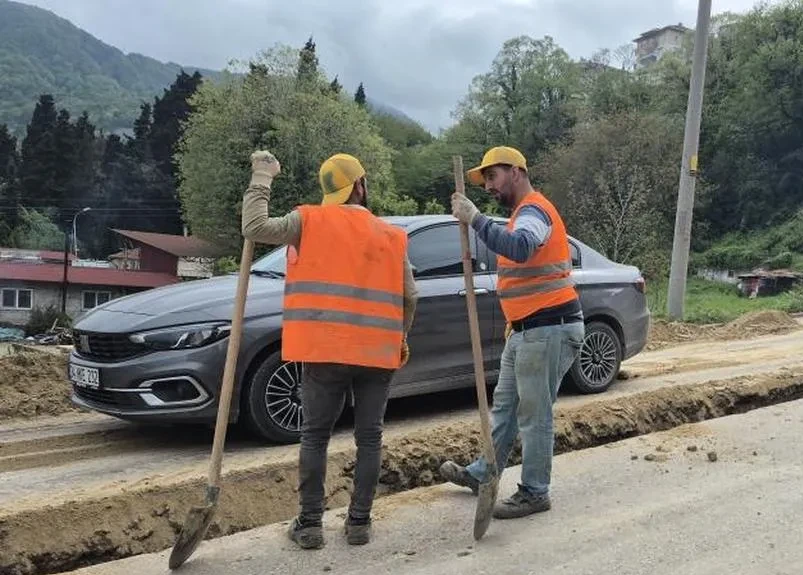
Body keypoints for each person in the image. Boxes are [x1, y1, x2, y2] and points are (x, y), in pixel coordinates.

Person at [240, 150, 416, 549]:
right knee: (369, 437)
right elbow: (410, 295)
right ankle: (358, 524)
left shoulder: (307, 221)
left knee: (315, 436)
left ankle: (310, 525)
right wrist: (401, 337)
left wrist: (262, 178)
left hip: (324, 352)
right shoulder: (391, 235)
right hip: (376, 354)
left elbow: (254, 227)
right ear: (360, 186)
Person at [438, 146, 584, 519]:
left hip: (549, 327)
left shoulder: (534, 210)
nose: (488, 185)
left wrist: (476, 219)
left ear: (516, 171)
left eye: (493, 176)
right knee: (504, 407)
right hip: (525, 330)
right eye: (484, 179)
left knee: (534, 414)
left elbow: (520, 249)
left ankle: (535, 491)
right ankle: (483, 472)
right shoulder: (521, 215)